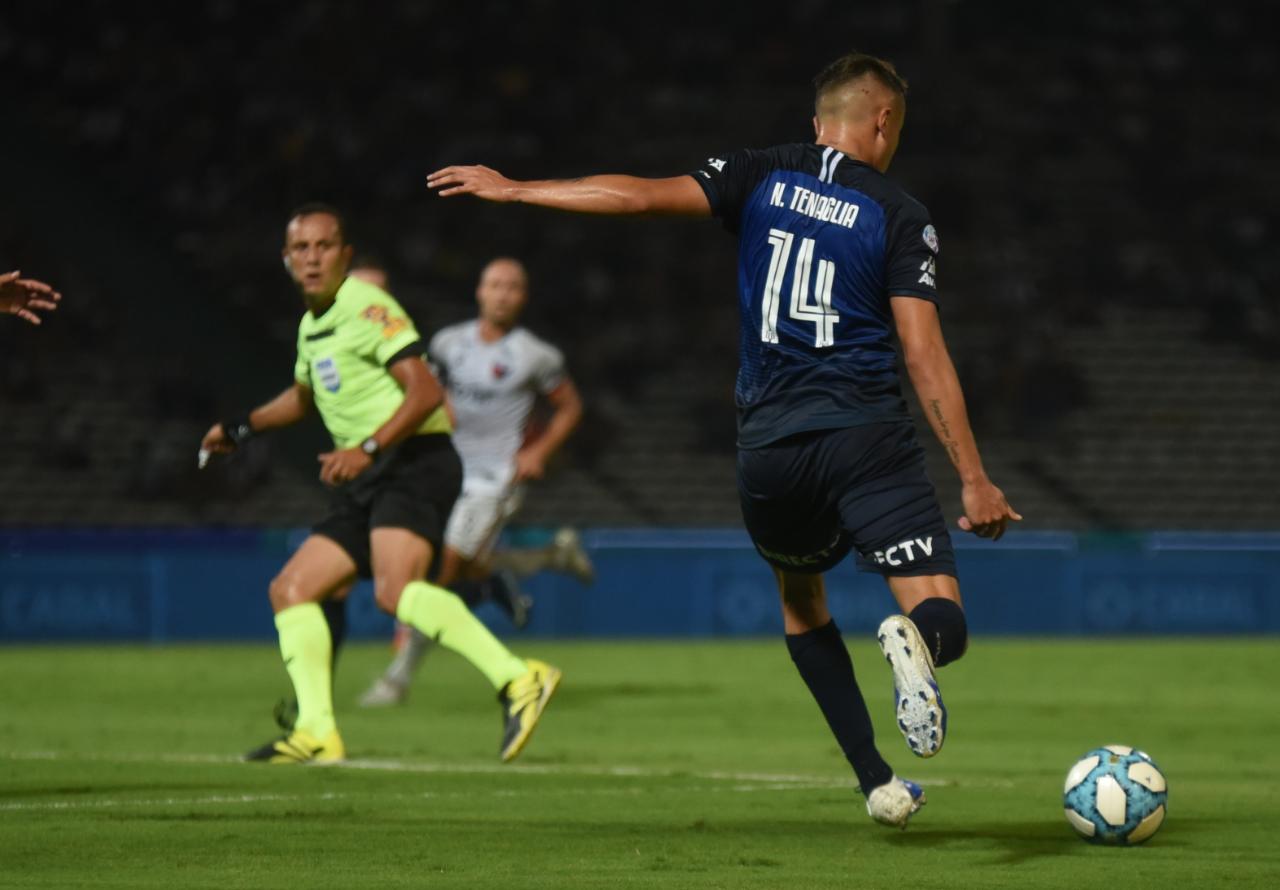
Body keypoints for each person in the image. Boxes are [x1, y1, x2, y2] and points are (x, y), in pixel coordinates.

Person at [423, 52, 1021, 827]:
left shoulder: (762, 172)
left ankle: (875, 779)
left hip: (769, 448)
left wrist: (518, 188)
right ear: (882, 123)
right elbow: (924, 353)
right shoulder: (899, 213)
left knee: (802, 605)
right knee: (943, 616)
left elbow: (636, 198)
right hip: (865, 434)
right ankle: (913, 641)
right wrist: (973, 477)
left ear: (816, 125)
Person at [200, 203, 560, 764]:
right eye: (302, 248)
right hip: (371, 474)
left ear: (345, 256)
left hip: (413, 460)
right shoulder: (312, 324)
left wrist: (365, 449)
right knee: (291, 590)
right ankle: (318, 731)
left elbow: (424, 392)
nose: (313, 257)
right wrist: (240, 428)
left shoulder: (366, 306)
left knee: (395, 591)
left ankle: (519, 678)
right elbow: (301, 397)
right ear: (287, 260)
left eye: (325, 246)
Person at [359, 256, 590, 707]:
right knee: (456, 570)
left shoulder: (535, 355)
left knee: (440, 572)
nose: (502, 293)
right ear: (480, 291)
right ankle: (542, 560)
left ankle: (397, 680)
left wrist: (537, 452)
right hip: (445, 469)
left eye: (512, 286)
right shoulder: (447, 344)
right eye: (494, 284)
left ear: (522, 297)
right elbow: (428, 394)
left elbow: (571, 407)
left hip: (495, 478)